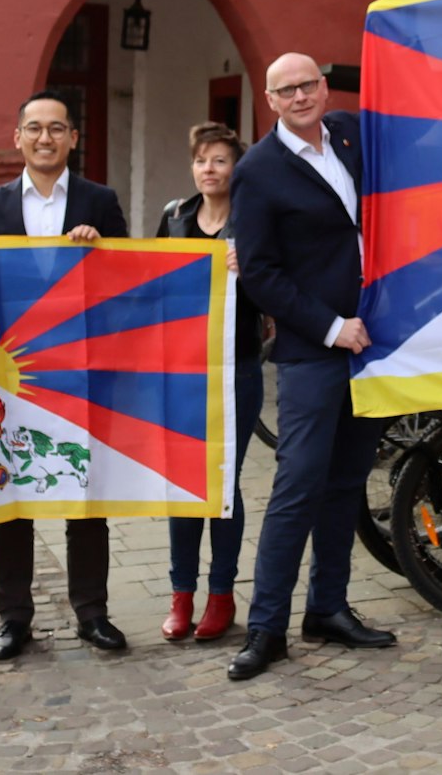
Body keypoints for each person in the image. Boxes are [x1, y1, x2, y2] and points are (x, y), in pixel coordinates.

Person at [226, 53, 393, 681]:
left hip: (373, 340)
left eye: (308, 84)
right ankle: (267, 628)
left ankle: (328, 608)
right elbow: (261, 273)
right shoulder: (258, 171)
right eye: (286, 90)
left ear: (323, 86)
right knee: (297, 488)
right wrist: (329, 326)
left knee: (347, 482)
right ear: (269, 100)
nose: (300, 96)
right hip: (313, 352)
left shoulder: (349, 134)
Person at [0, 90, 131, 660]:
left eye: (56, 128)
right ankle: (13, 618)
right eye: (33, 128)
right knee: (11, 497)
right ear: (18, 137)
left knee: (87, 493)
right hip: (11, 375)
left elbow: (128, 280)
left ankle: (93, 613)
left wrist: (102, 250)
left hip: (80, 369)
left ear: (72, 139)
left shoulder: (100, 201)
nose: (44, 138)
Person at [155, 122, 265, 643]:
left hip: (237, 367)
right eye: (202, 160)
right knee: (183, 483)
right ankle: (181, 596)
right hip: (182, 370)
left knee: (223, 483)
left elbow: (275, 291)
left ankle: (221, 596)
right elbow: (151, 288)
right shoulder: (174, 219)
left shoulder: (252, 224)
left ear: (235, 169)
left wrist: (254, 271)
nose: (209, 169)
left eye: (220, 160)